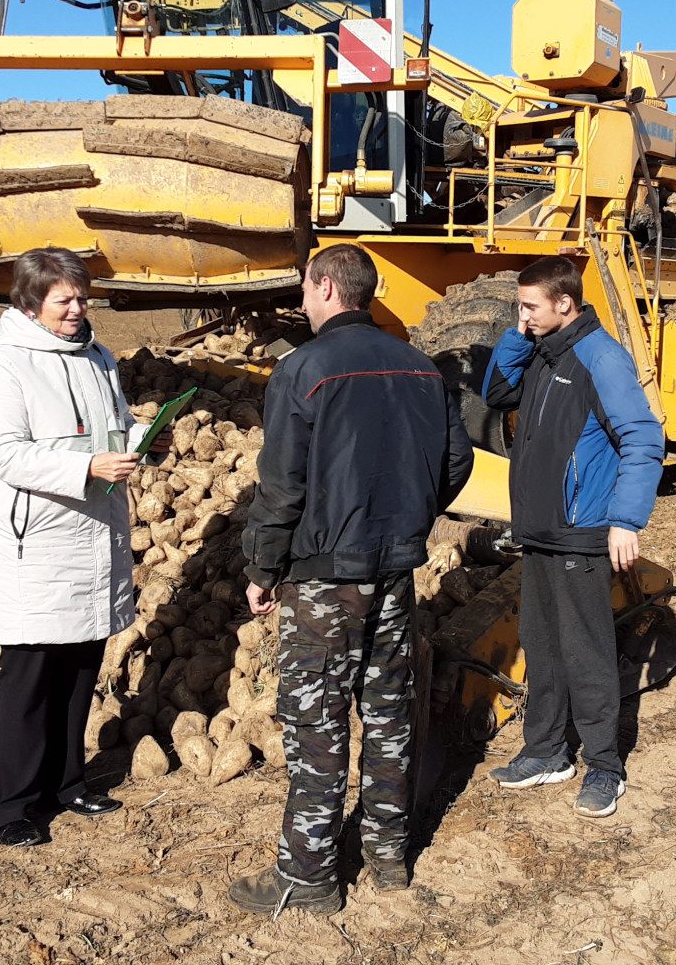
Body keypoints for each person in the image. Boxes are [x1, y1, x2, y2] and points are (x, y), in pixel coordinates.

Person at [228, 244, 474, 916]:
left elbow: (281, 486)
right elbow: (456, 462)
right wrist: (411, 516)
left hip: (324, 578)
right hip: (394, 571)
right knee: (390, 714)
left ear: (328, 287)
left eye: (306, 290)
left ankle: (309, 877)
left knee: (317, 723)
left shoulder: (302, 370)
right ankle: (388, 856)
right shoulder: (423, 369)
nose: (302, 303)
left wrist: (261, 566)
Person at [0, 247, 167, 847]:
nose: (80, 308)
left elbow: (111, 425)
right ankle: (13, 806)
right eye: (65, 301)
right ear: (30, 304)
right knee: (31, 677)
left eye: (82, 297)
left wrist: (141, 439)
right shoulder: (4, 367)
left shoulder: (96, 356)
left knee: (81, 665)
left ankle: (67, 782)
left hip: (91, 531)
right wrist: (86, 466)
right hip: (38, 540)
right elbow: (5, 453)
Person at [482, 256, 664, 818]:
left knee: (585, 653)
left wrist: (626, 521)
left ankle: (605, 767)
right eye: (520, 306)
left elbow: (643, 438)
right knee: (541, 644)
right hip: (538, 531)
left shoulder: (600, 358)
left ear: (566, 303)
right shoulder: (542, 349)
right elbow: (495, 393)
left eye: (531, 305)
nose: (524, 315)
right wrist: (519, 332)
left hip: (581, 532)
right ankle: (546, 752)